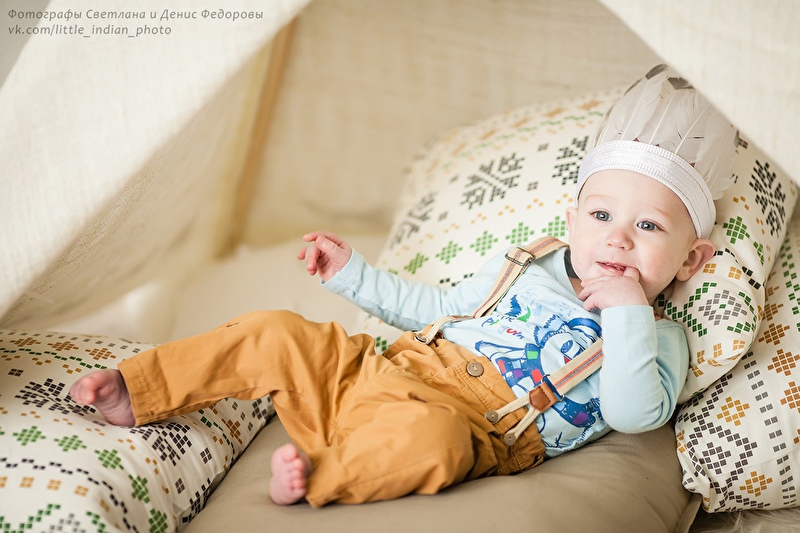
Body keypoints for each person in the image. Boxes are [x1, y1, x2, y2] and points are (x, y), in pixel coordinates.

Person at [69, 64, 738, 507]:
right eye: (602, 216)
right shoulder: (529, 263)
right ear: (572, 221)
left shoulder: (658, 338)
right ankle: (141, 388)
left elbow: (632, 412)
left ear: (691, 259)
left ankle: (322, 473)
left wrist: (627, 313)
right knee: (275, 331)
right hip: (381, 368)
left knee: (432, 444)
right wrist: (352, 274)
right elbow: (437, 307)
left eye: (649, 226)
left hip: (464, 424)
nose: (618, 239)